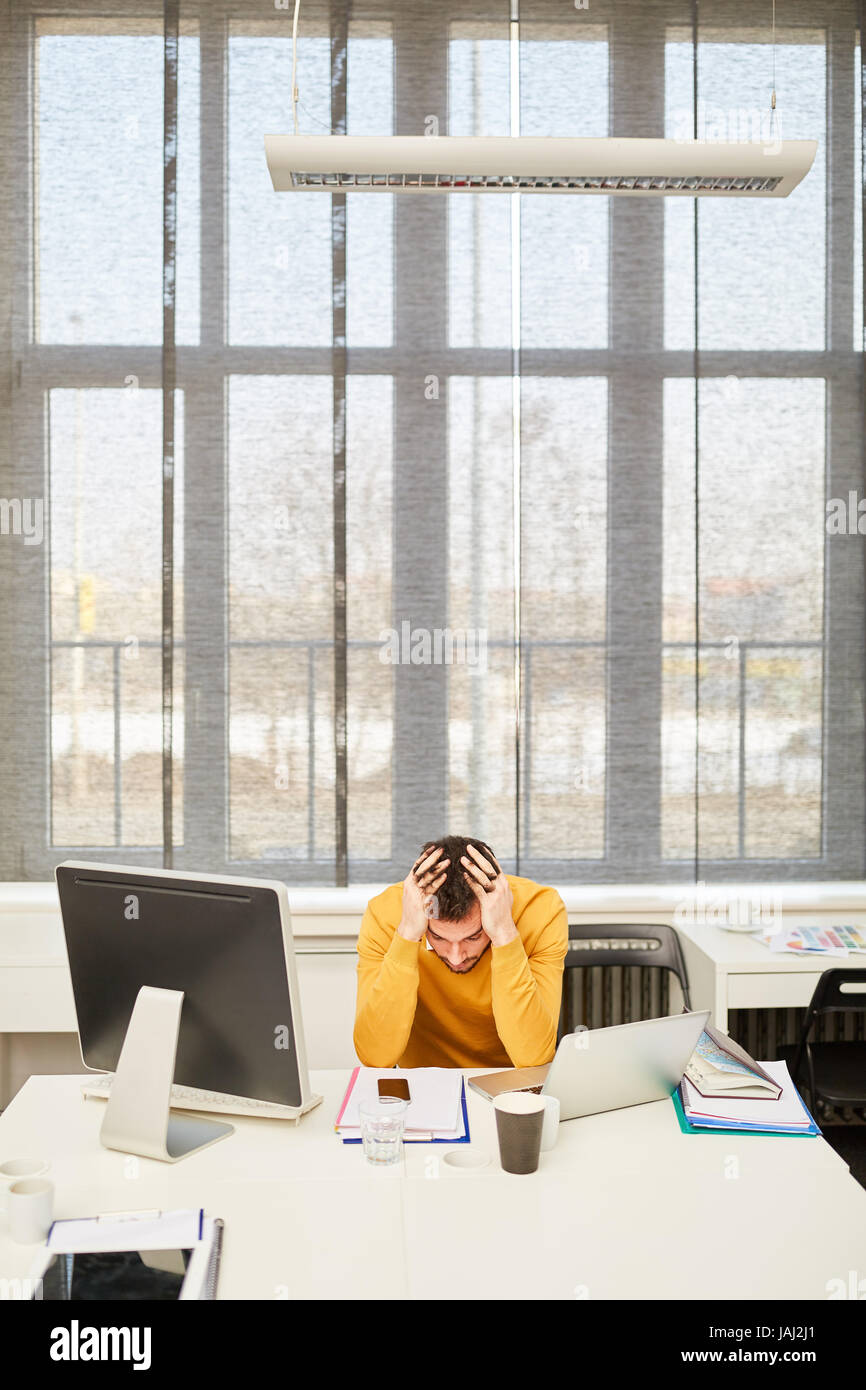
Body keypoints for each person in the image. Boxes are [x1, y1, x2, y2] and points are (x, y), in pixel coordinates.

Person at [353, 835, 568, 1069]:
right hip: (425, 1084)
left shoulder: (541, 910)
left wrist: (504, 933)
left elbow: (533, 1058)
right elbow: (375, 1057)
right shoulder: (385, 914)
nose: (456, 957)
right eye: (437, 937)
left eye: (473, 936)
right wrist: (407, 933)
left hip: (510, 1082)